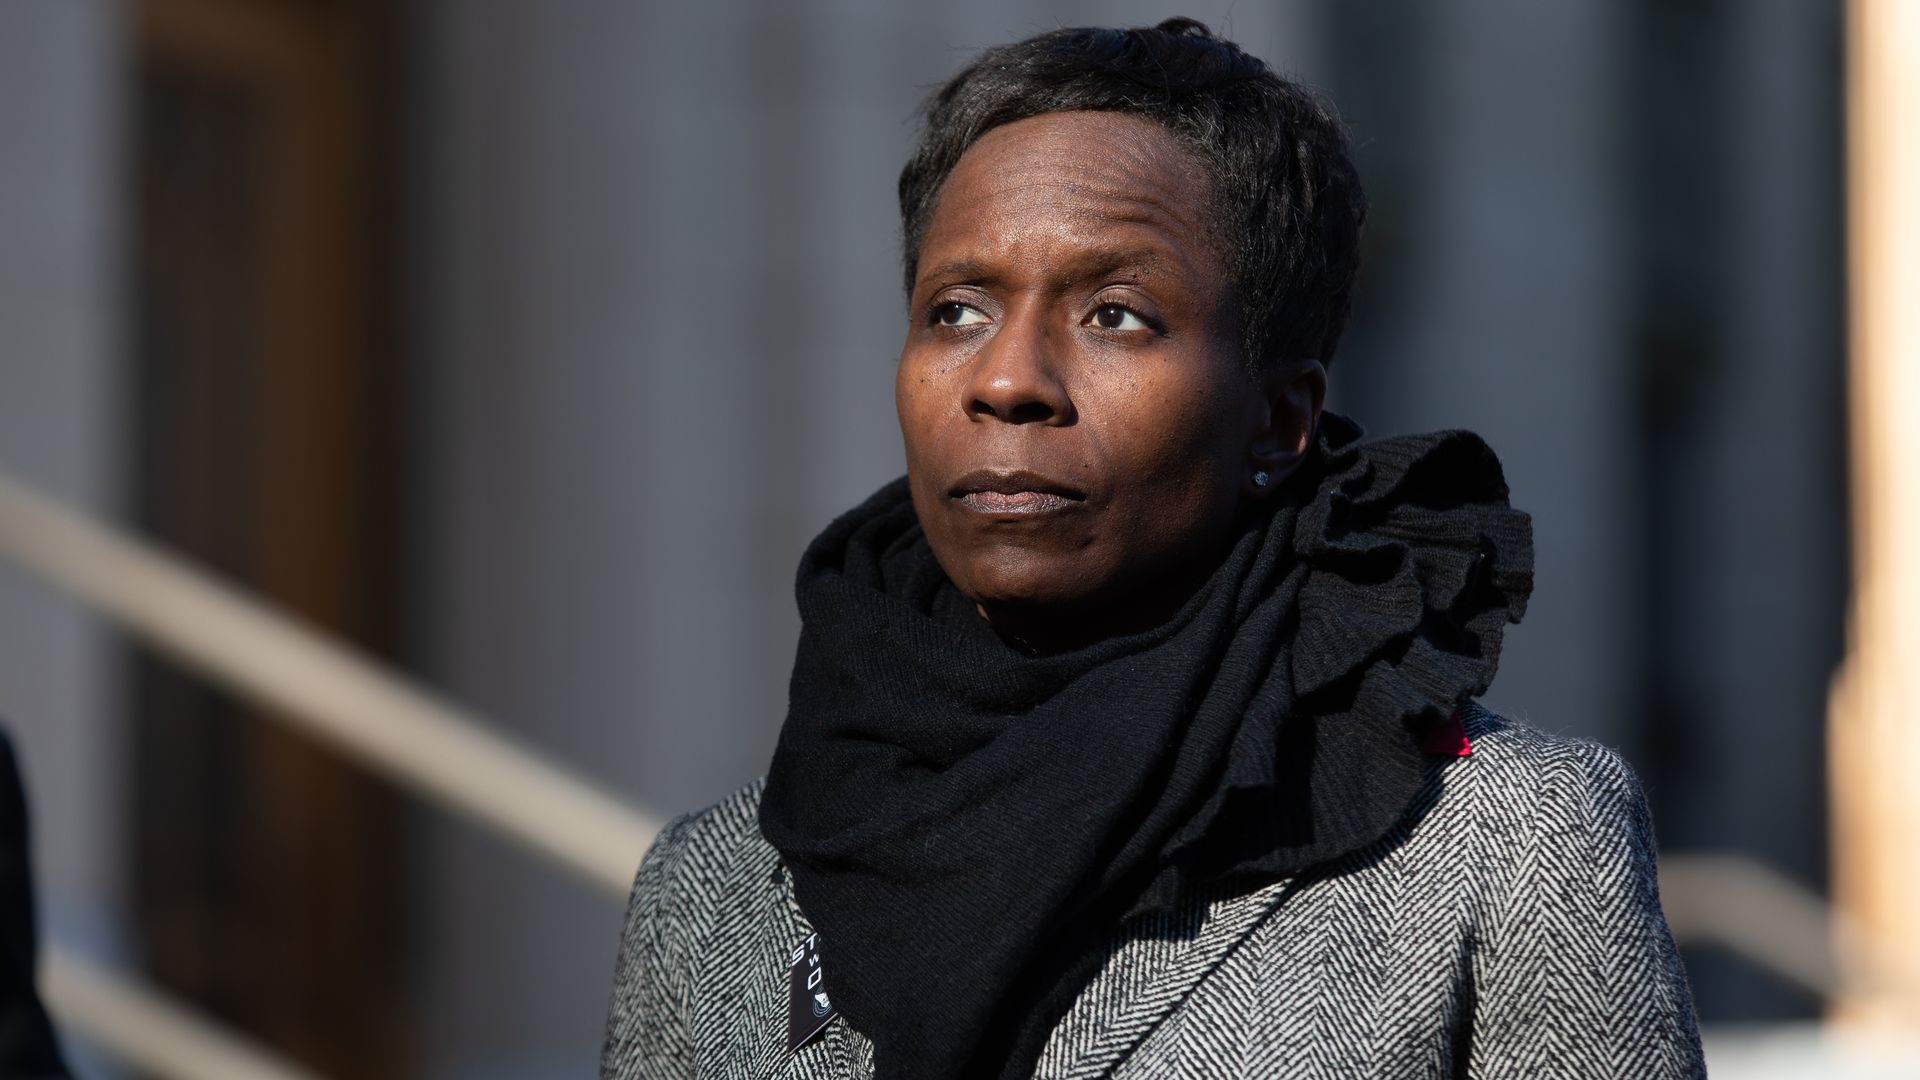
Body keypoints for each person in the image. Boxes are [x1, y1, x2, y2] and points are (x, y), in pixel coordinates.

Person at [602, 18, 1703, 1080]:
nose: (1007, 380)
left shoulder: (1503, 843)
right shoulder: (714, 891)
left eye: (1116, 315)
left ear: (1280, 419)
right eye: (958, 310)